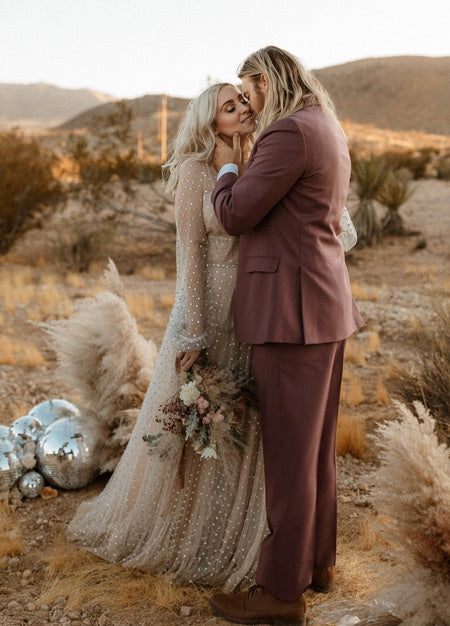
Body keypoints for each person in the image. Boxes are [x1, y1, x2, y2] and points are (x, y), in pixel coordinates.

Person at [66, 83, 268, 591]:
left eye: (242, 101)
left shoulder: (254, 167)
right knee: (192, 427)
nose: (242, 108)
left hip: (248, 316)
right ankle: (179, 534)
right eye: (229, 106)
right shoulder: (194, 175)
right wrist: (194, 334)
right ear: (209, 123)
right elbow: (190, 259)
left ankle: (231, 530)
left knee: (239, 421)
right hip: (204, 318)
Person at [209, 46, 364, 625]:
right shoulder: (327, 125)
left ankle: (278, 594)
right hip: (323, 307)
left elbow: (235, 214)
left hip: (289, 314)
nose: (247, 103)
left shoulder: (288, 133)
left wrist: (228, 167)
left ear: (265, 79)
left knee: (290, 457)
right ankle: (316, 566)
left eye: (249, 92)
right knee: (317, 449)